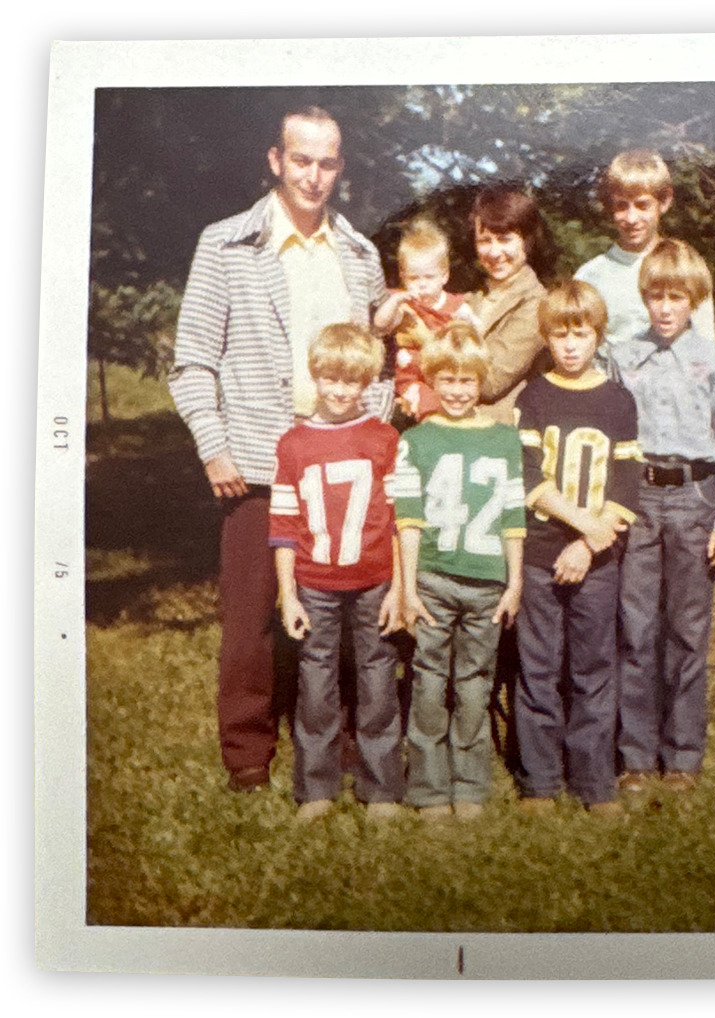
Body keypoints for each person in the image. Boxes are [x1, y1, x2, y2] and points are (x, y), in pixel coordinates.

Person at [169, 105, 390, 792]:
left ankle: (345, 740)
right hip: (260, 461)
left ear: (340, 167)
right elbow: (193, 361)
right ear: (276, 159)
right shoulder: (227, 245)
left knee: (350, 612)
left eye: (327, 162)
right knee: (250, 622)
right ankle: (246, 757)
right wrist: (214, 446)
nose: (314, 176)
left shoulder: (359, 253)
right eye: (302, 160)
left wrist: (372, 431)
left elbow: (377, 364)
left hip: (344, 461)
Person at [607, 239, 715, 793]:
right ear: (644, 299)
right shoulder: (624, 356)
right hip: (639, 500)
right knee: (636, 627)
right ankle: (638, 756)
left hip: (696, 500)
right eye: (656, 297)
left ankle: (684, 757)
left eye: (677, 297)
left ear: (695, 299)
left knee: (687, 631)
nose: (665, 308)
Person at [389, 322, 526, 821]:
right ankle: (427, 787)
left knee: (474, 683)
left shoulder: (503, 439)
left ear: (481, 381)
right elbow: (407, 519)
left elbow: (513, 516)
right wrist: (407, 587)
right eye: (446, 380)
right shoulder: (418, 440)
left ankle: (469, 784)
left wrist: (515, 582)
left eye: (467, 381)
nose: (457, 391)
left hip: (488, 582)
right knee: (427, 681)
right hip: (434, 578)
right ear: (430, 379)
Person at [513, 281, 641, 816]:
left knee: (592, 667)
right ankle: (539, 781)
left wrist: (589, 544)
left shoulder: (617, 399)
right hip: (543, 553)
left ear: (598, 335)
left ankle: (593, 780)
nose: (570, 346)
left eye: (580, 334)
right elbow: (529, 477)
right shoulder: (535, 396)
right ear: (545, 337)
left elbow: (626, 483)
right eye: (559, 335)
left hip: (599, 560)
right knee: (538, 666)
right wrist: (580, 526)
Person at [269, 325, 405, 823]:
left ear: (368, 382)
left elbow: (396, 519)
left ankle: (383, 788)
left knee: (377, 681)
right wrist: (289, 593)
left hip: (374, 581)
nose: (341, 391)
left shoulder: (384, 438)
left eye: (352, 382)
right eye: (331, 379)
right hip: (314, 582)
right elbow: (283, 525)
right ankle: (316, 787)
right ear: (315, 376)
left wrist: (399, 589)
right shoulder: (294, 443)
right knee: (316, 682)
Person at [575, 150, 715, 352]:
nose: (631, 218)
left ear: (664, 201)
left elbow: (705, 348)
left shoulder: (686, 268)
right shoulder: (589, 277)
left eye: (642, 205)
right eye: (622, 206)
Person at [373, 218, 478, 422]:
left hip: (446, 375)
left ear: (444, 276)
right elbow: (380, 324)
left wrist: (467, 322)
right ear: (403, 276)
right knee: (425, 404)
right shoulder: (405, 305)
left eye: (428, 278)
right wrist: (394, 302)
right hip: (411, 377)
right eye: (414, 278)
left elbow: (475, 332)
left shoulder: (455, 305)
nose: (421, 285)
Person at [466, 187, 555, 423]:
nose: (494, 252)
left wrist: (426, 340)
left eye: (505, 240)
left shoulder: (536, 303)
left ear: (526, 241)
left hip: (498, 437)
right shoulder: (472, 297)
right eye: (485, 241)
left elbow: (490, 383)